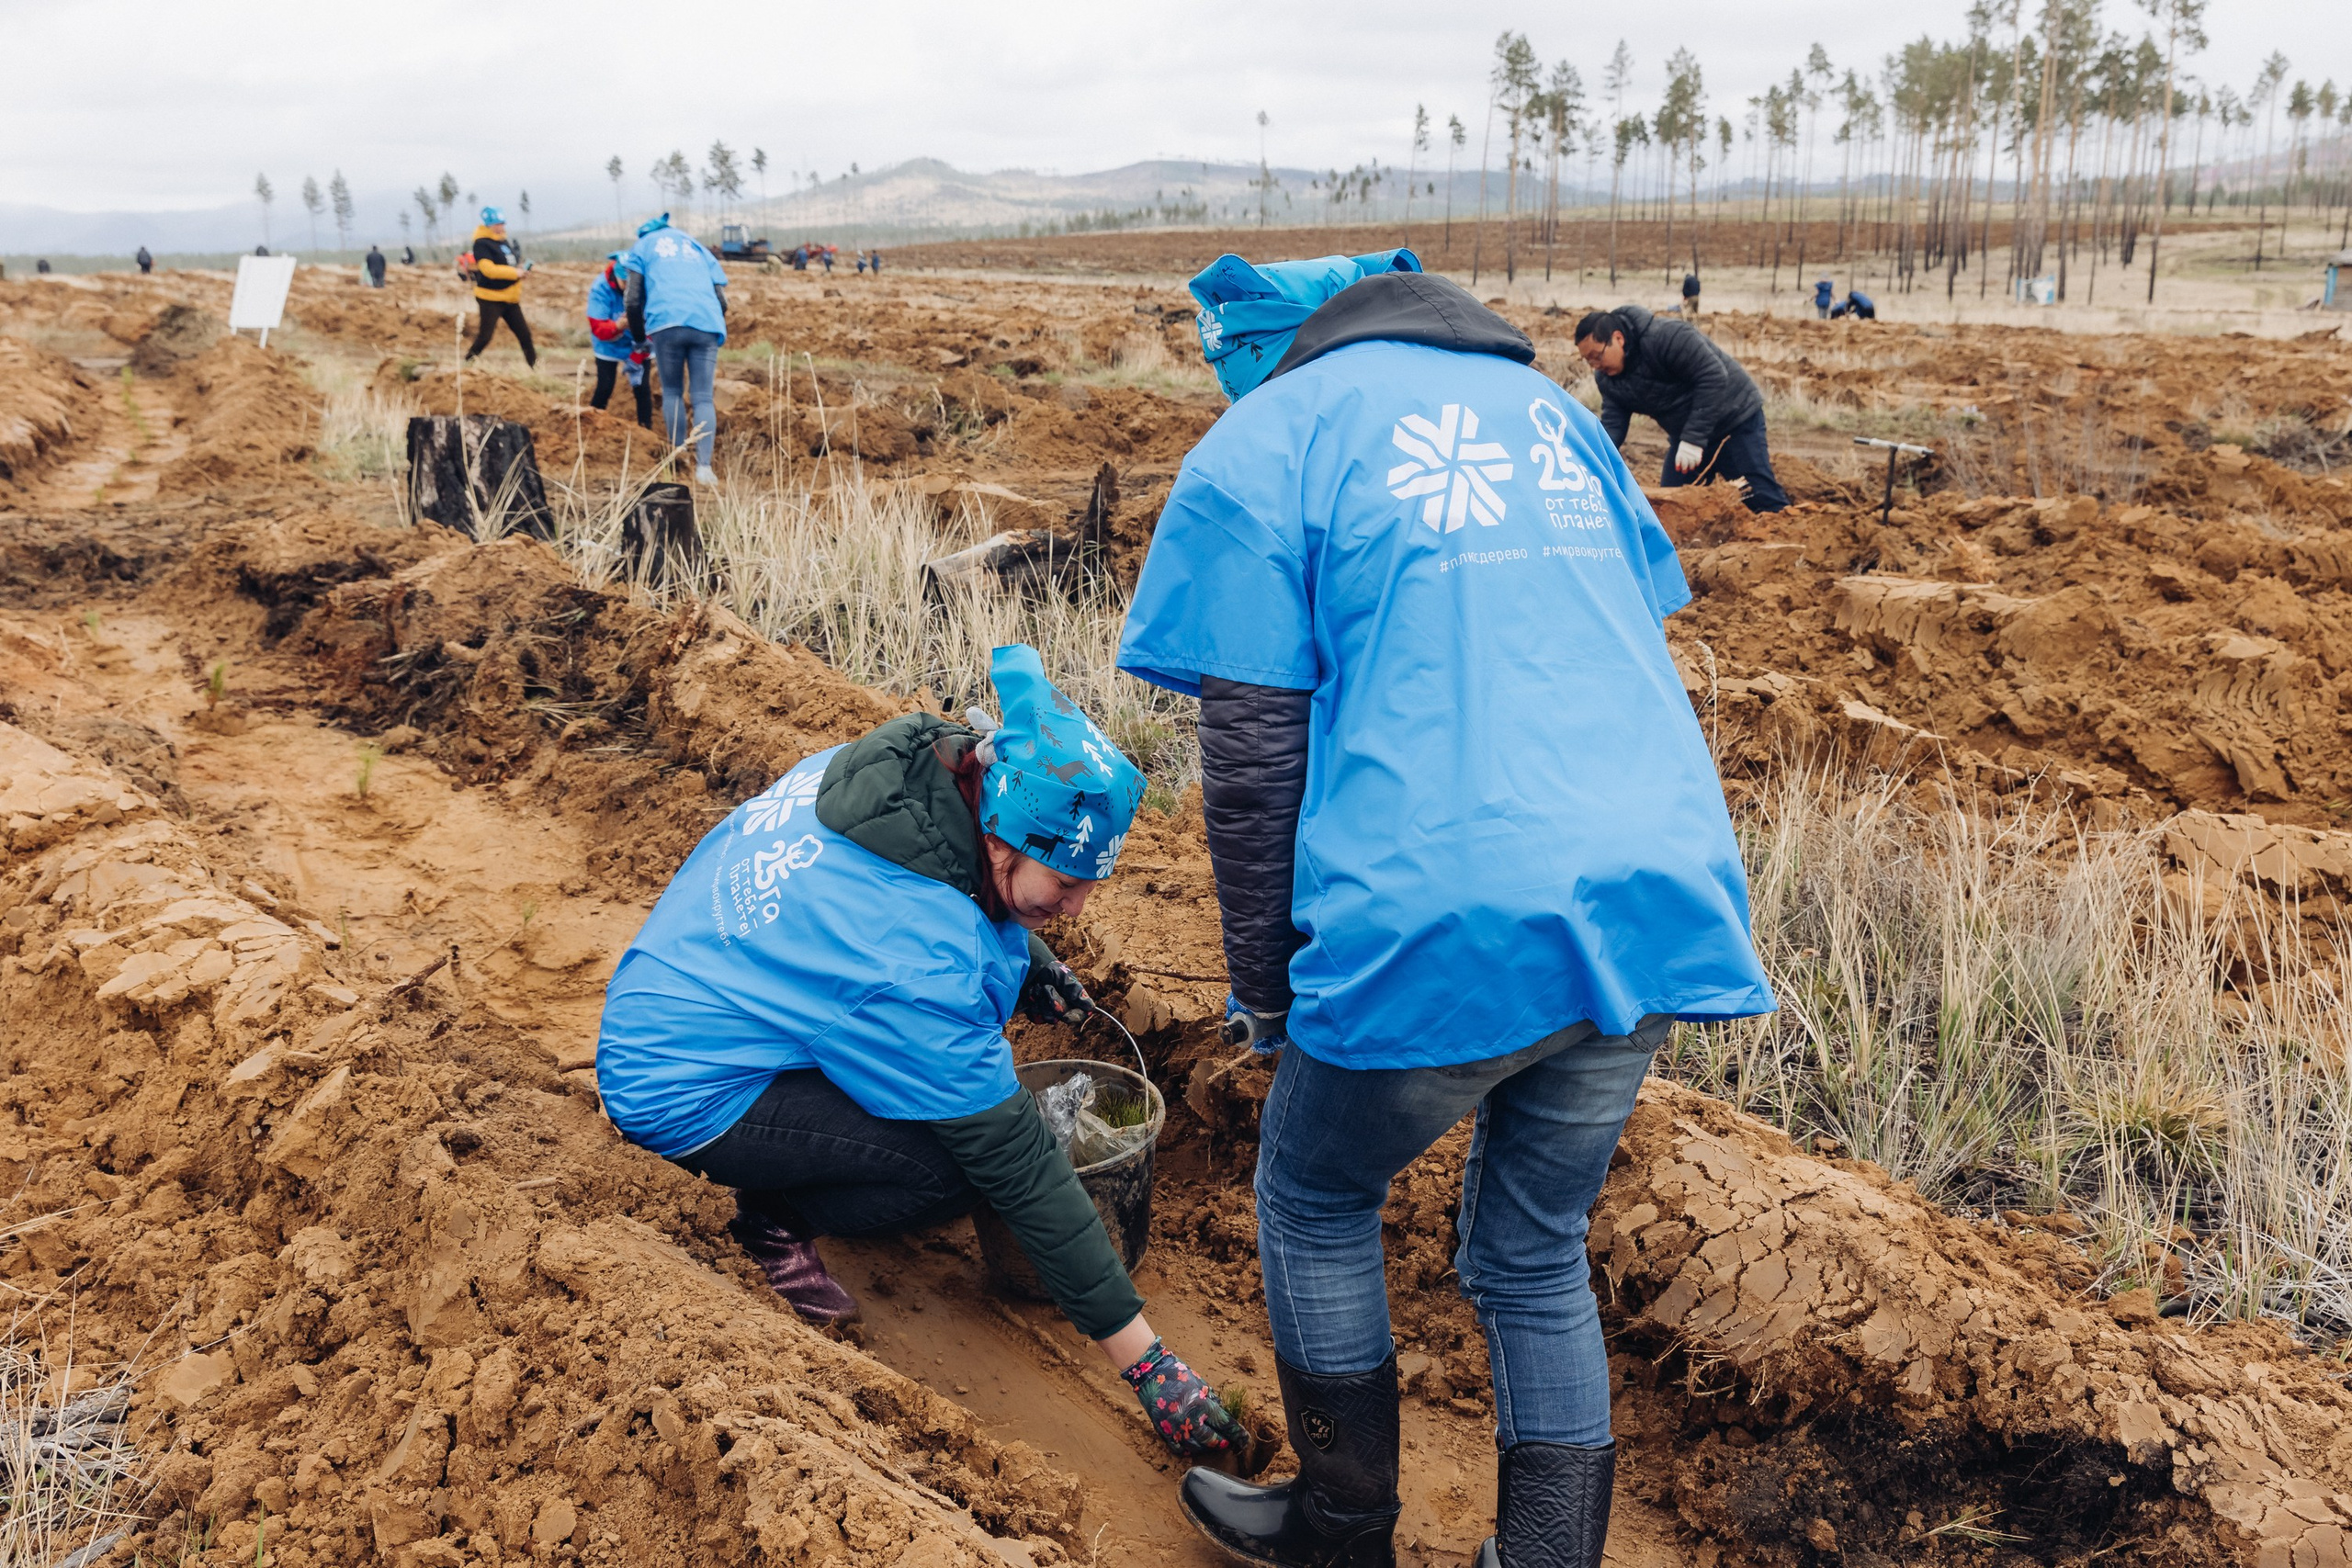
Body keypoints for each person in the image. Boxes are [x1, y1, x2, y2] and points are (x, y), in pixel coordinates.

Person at [1118, 251, 1776, 1568]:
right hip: (1652, 891)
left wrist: (1266, 992)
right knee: (1532, 1250)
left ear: (1265, 341)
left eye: (1217, 348)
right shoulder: (1545, 414)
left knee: (1312, 1189)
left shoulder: (1266, 443)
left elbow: (1250, 765)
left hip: (1448, 901)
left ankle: (1342, 1525)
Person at [597, 645, 1246, 1461]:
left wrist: (1036, 966)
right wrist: (1147, 1363)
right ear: (1005, 830)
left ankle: (797, 1169)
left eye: (1093, 884)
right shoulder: (911, 958)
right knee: (959, 1168)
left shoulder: (916, 771)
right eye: (1066, 883)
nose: (1079, 907)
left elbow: (968, 883)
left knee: (945, 1096)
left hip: (698, 977)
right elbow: (1016, 1161)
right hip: (680, 1078)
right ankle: (775, 1213)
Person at [1575, 306, 1788, 513]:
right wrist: (1591, 461)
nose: (1595, 365)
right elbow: (1614, 426)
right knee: (1673, 507)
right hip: (1686, 435)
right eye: (1588, 361)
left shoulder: (1668, 336)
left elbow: (1713, 377)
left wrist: (1694, 439)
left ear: (1618, 339)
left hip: (1734, 421)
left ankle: (1790, 534)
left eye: (1597, 356)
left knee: (1760, 496)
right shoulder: (1608, 379)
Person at [622, 212, 729, 485]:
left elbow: (632, 300)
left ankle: (678, 460)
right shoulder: (696, 246)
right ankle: (704, 469)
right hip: (706, 322)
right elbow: (721, 299)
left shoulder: (642, 247)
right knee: (703, 397)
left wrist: (638, 339)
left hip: (666, 322)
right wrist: (709, 320)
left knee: (672, 392)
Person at [462, 206, 536, 368]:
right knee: (485, 336)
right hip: (490, 298)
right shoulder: (481, 244)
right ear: (488, 225)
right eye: (497, 224)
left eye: (502, 223)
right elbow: (489, 270)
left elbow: (510, 264)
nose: (501, 227)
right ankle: (466, 365)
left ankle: (535, 369)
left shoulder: (503, 242)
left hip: (510, 297)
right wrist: (514, 273)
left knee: (525, 335)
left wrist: (521, 271)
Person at [585, 252, 653, 429]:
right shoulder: (600, 288)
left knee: (642, 389)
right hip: (608, 344)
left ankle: (646, 430)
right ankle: (590, 426)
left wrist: (641, 349)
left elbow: (655, 322)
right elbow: (598, 327)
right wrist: (618, 326)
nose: (628, 289)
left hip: (639, 342)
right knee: (605, 386)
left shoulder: (645, 285)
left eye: (633, 284)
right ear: (615, 275)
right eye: (625, 283)